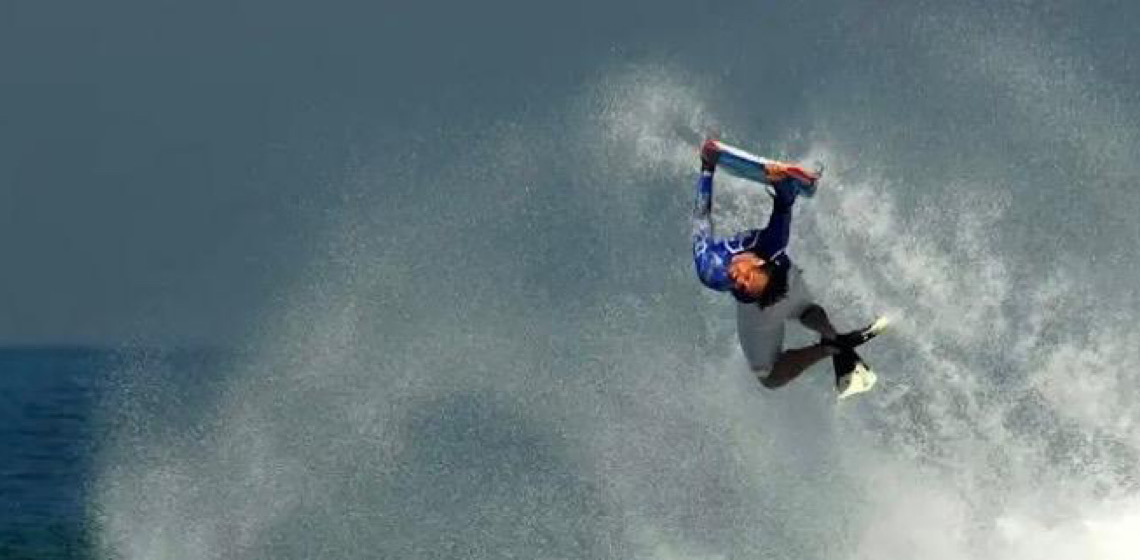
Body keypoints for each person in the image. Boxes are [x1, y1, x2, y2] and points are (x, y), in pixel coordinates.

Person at [691, 139, 883, 390]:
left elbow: (703, 218)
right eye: (747, 280)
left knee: (771, 372)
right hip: (771, 299)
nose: (738, 281)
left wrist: (708, 168)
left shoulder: (715, 270)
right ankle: (832, 343)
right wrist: (779, 183)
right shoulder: (767, 245)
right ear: (759, 261)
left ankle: (831, 344)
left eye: (744, 284)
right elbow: (783, 204)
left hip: (774, 295)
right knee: (801, 323)